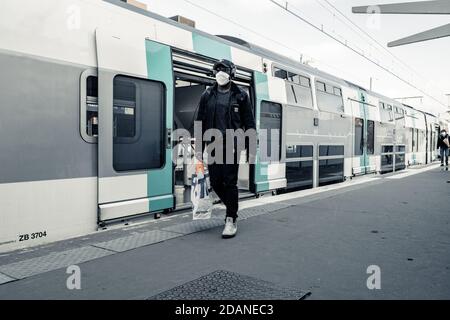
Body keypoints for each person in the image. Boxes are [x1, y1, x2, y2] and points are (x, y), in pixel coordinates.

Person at [195, 59, 256, 238]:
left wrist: (251, 148)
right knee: (215, 182)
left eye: (224, 70)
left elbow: (249, 123)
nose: (220, 73)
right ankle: (231, 205)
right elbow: (199, 121)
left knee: (230, 182)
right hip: (213, 144)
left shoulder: (241, 95)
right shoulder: (207, 94)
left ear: (232, 73)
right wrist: (199, 148)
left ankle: (231, 218)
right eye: (217, 70)